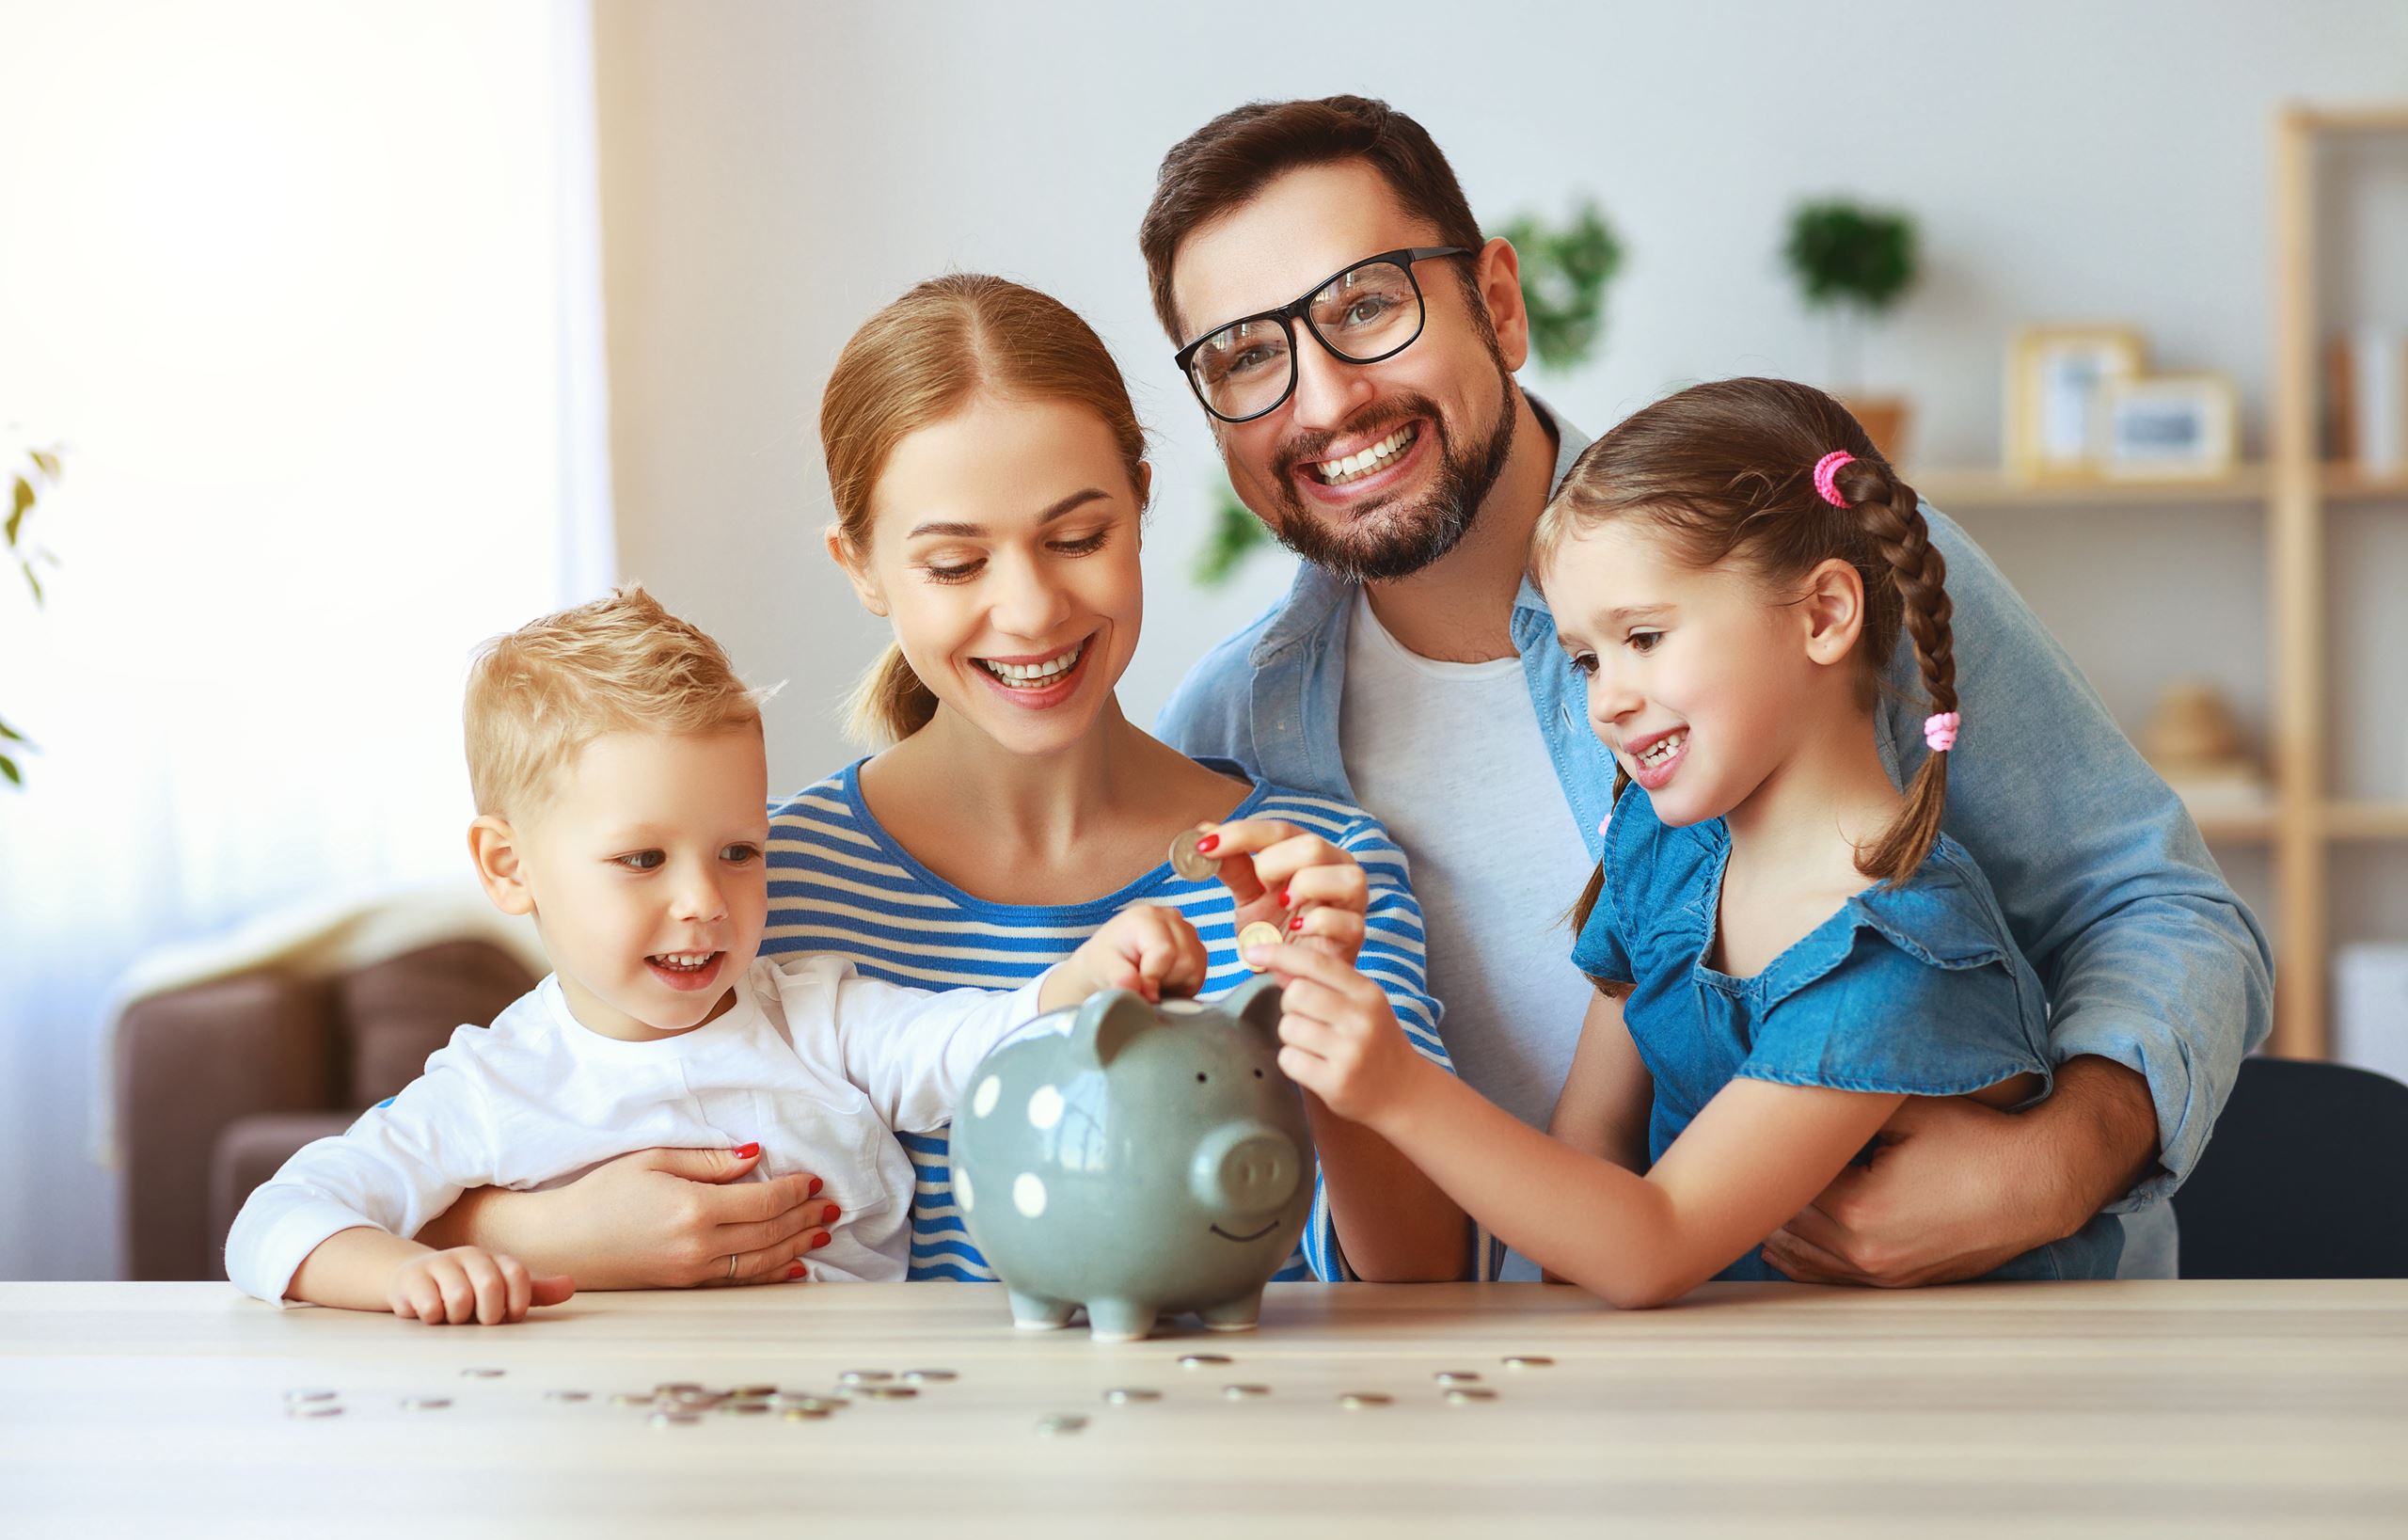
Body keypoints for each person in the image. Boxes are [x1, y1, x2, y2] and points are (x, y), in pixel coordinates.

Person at [1142, 96, 2273, 1283]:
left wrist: (2055, 1164)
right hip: (1540, 1384)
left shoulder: (1814, 561)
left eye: (1367, 305)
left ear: (1499, 303)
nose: (1323, 403)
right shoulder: (1229, 736)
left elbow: (2160, 906)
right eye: (1247, 357)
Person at [418, 276, 1472, 1287]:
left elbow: (1423, 1278)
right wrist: (547, 1233)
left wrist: (1327, 1005)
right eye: (956, 565)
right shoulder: (749, 886)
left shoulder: (1315, 872)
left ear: (1141, 502)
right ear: (861, 567)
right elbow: (496, 1125)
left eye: (1077, 537)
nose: (1028, 610)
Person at [1258, 379, 2124, 1303]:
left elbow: (1652, 1242)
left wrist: (1396, 1088)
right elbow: (1588, 1152)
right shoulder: (1664, 845)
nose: (1606, 698)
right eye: (1587, 657)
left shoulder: (1900, 949)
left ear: (1823, 615)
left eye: (1644, 636)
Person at [224, 586, 1212, 1323]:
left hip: (844, 1418)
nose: (703, 902)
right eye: (642, 859)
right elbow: (274, 1220)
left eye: (740, 850)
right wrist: (403, 1272)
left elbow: (970, 1046)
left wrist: (1085, 978)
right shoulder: (492, 1083)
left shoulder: (811, 1014)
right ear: (508, 865)